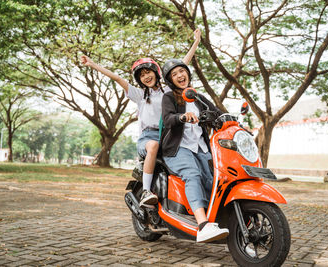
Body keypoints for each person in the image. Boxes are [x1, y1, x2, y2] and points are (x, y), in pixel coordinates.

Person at [80, 29, 202, 207]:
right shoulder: (138, 95)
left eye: (148, 72)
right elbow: (116, 77)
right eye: (142, 75)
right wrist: (92, 64)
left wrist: (196, 42)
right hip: (149, 137)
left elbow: (182, 64)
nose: (146, 76)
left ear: (157, 72)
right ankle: (146, 191)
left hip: (169, 136)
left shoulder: (169, 90)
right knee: (153, 146)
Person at [160, 58, 229, 243]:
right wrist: (182, 116)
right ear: (170, 80)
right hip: (177, 148)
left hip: (200, 147)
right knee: (193, 174)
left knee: (216, 178)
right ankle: (203, 225)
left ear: (188, 74)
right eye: (174, 74)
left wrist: (233, 122)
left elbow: (218, 112)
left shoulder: (197, 96)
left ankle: (222, 218)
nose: (179, 75)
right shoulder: (169, 97)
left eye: (182, 71)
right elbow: (168, 119)